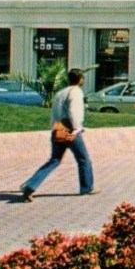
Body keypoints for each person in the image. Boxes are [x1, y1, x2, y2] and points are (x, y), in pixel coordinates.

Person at [20, 68, 97, 201]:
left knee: (54, 160)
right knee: (83, 159)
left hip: (57, 128)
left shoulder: (60, 93)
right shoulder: (76, 92)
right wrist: (77, 128)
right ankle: (87, 187)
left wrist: (54, 128)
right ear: (80, 80)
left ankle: (30, 186)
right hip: (70, 130)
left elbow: (54, 113)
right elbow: (74, 112)